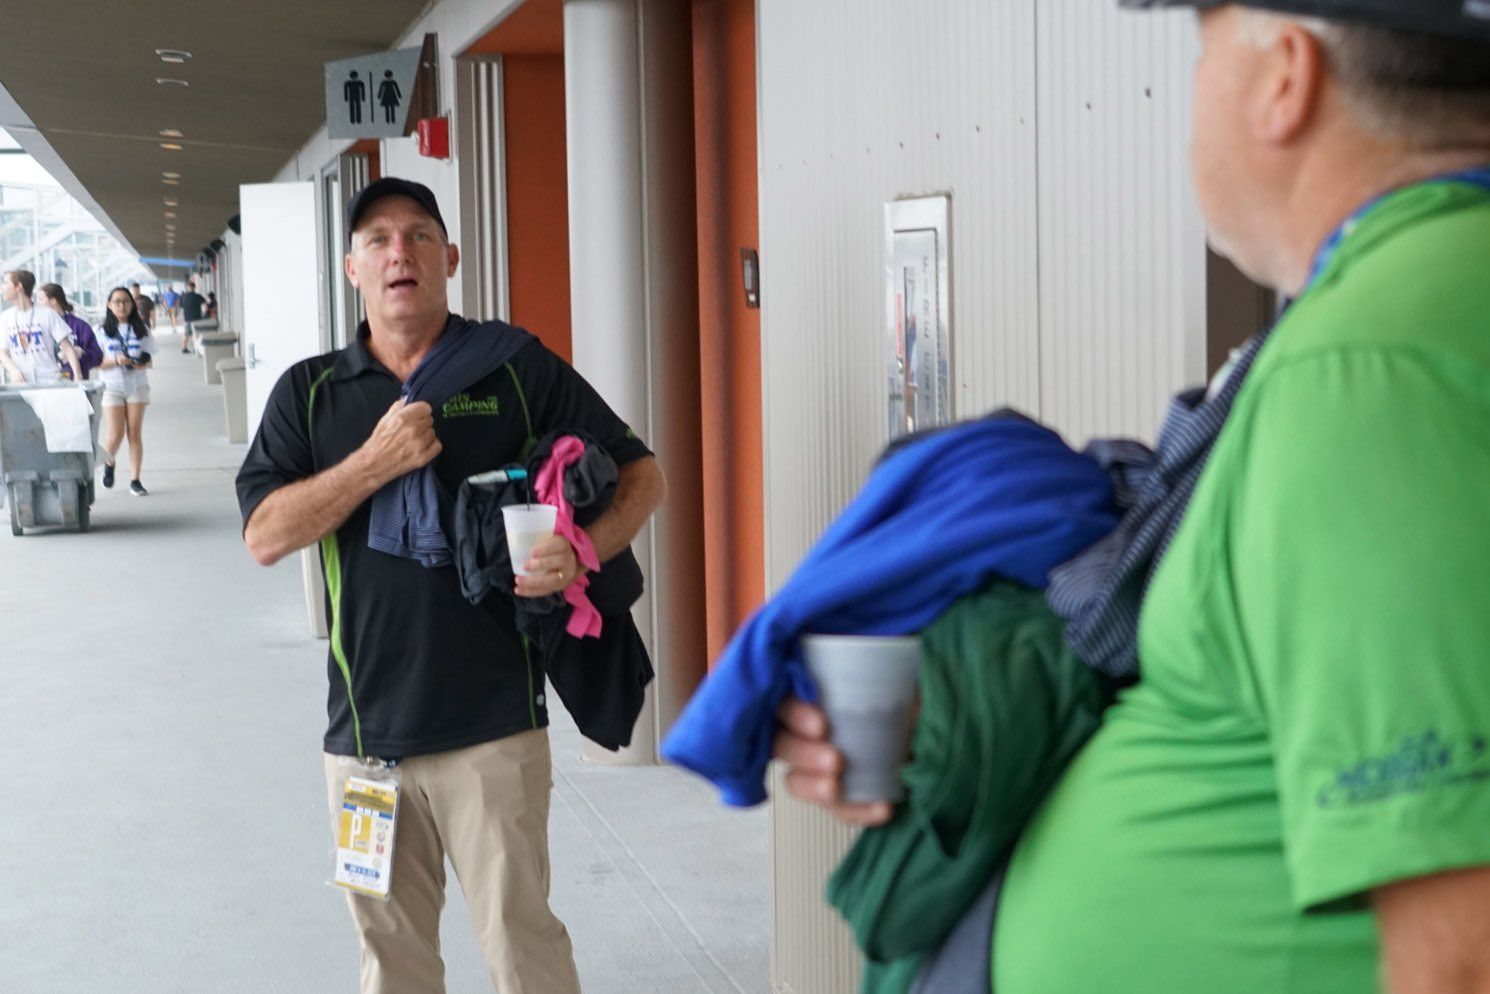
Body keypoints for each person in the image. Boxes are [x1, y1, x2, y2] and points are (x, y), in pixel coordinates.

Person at [775, 3, 1490, 993]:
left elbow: (1461, 950)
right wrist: (969, 718)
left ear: (1285, 77)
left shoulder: (1370, 361)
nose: (1191, 91)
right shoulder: (1403, 304)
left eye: (1202, 48)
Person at [235, 177, 668, 994]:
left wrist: (582, 554)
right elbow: (265, 535)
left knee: (524, 951)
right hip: (366, 741)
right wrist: (372, 464)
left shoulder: (513, 370)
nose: (399, 252)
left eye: (419, 236)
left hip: (495, 730)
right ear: (353, 268)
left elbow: (644, 475)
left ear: (450, 258)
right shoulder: (310, 392)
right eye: (378, 240)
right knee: (392, 964)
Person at [96, 286, 156, 497]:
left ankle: (135, 480)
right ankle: (109, 462)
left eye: (126, 301)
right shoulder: (100, 331)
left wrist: (139, 363)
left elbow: (149, 360)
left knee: (134, 433)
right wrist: (116, 361)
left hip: (137, 385)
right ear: (109, 305)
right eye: (117, 301)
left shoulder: (142, 329)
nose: (122, 305)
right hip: (111, 386)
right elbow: (96, 363)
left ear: (132, 304)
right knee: (115, 433)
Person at [0, 269, 82, 384]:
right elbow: (2, 352)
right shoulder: (5, 318)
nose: (1, 288)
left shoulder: (47, 314)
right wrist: (13, 370)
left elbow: (68, 348)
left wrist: (78, 377)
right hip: (21, 384)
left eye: (5, 283)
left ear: (18, 286)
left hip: (50, 382)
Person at [38, 283, 103, 381]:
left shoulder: (80, 326)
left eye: (40, 299)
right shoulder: (38, 327)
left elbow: (98, 357)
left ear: (53, 301)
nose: (37, 304)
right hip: (46, 382)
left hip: (74, 381)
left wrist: (82, 354)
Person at [178, 278, 206, 354]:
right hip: (197, 318)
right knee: (195, 334)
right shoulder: (198, 296)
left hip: (187, 318)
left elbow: (181, 306)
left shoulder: (183, 297)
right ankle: (195, 348)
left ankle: (184, 348)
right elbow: (204, 302)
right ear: (194, 287)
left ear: (187, 288)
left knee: (186, 334)